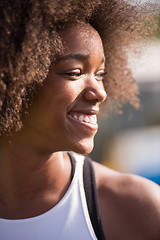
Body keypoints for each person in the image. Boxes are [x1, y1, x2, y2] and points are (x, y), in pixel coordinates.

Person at [0, 0, 160, 239]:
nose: (100, 92)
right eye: (74, 73)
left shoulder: (136, 209)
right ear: (14, 79)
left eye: (100, 74)